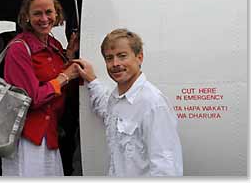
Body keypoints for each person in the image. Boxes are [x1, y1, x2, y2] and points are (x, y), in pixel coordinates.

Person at [74, 29, 183, 177]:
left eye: (122, 56)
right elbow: (106, 111)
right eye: (109, 58)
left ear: (139, 57)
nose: (115, 64)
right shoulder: (116, 99)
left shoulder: (153, 103)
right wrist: (92, 80)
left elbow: (166, 168)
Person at [1, 0, 79, 176]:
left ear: (56, 13)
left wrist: (68, 56)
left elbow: (62, 86)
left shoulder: (54, 45)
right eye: (37, 13)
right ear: (26, 16)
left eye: (49, 12)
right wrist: (64, 76)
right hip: (27, 137)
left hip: (49, 132)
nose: (44, 19)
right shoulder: (19, 49)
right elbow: (32, 98)